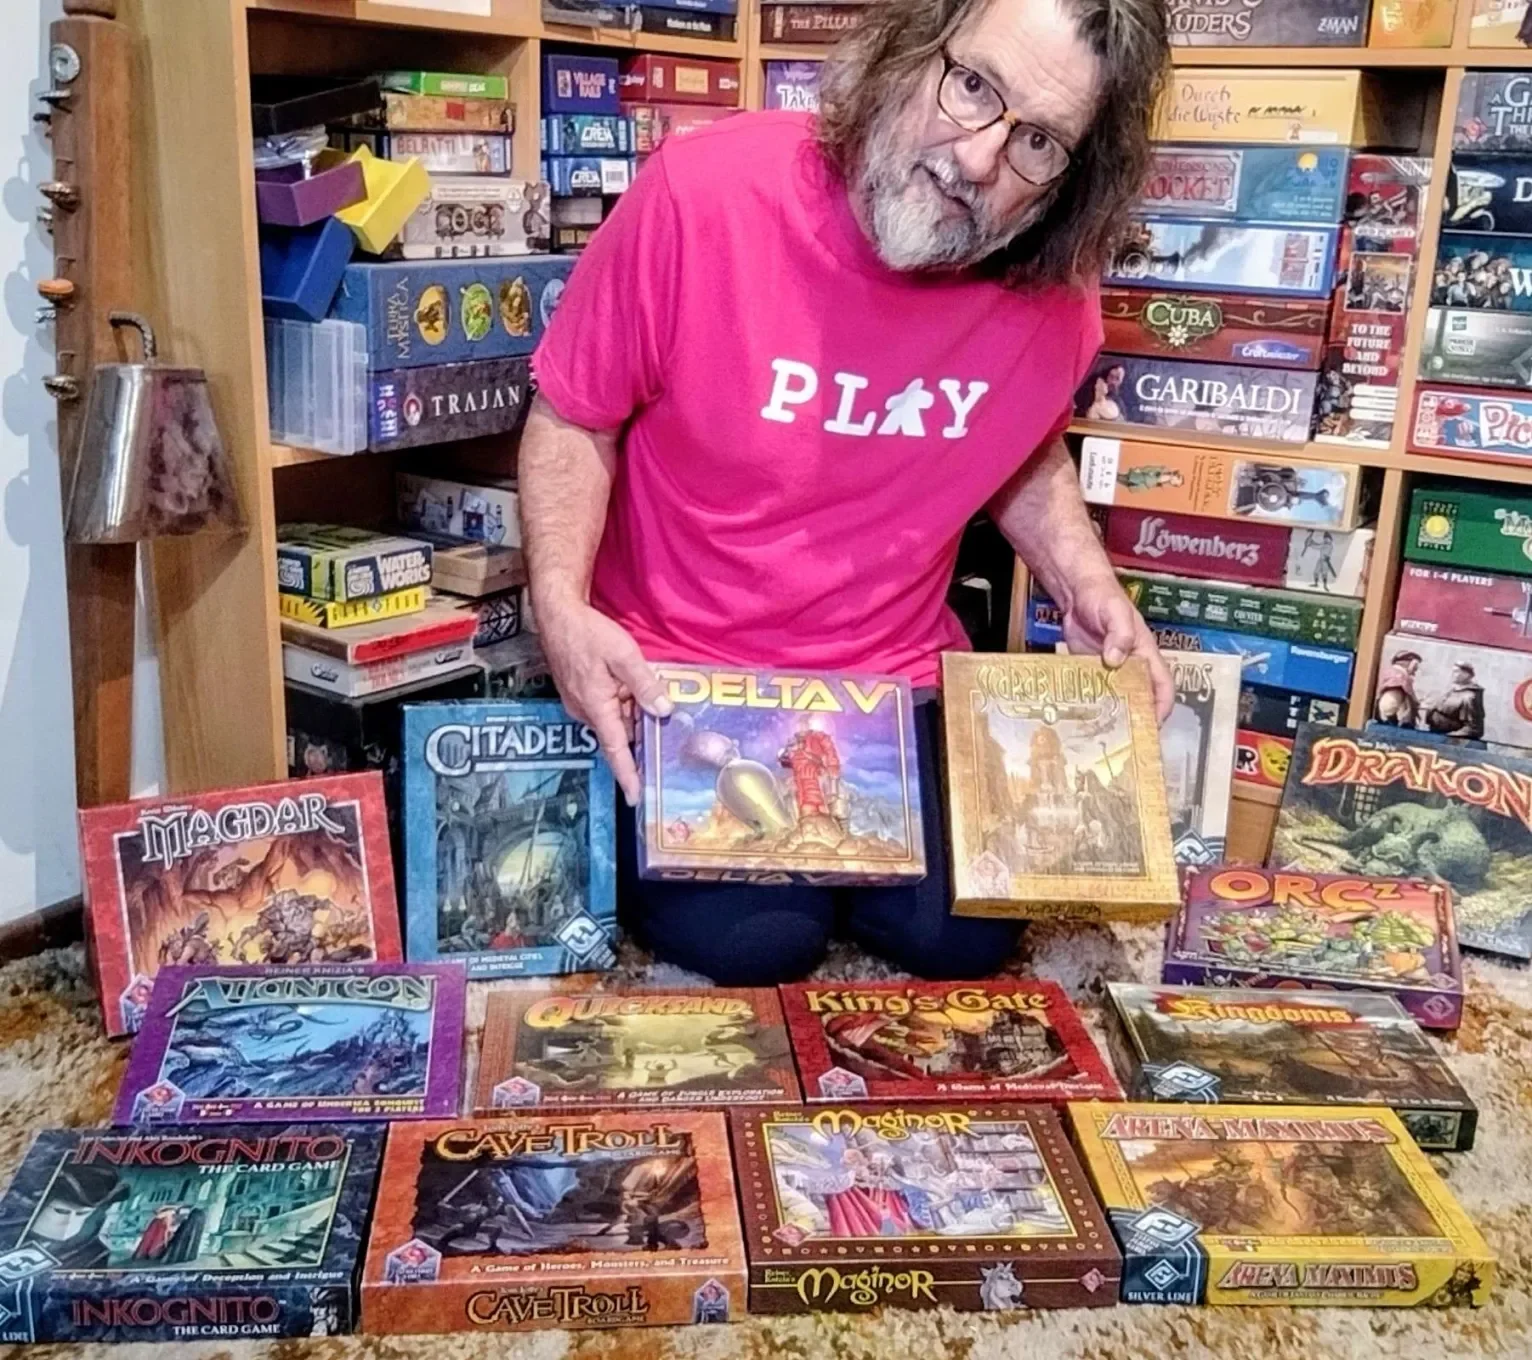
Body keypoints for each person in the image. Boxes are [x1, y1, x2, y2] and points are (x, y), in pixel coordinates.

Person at [522, 0, 1173, 986]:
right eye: (973, 88)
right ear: (911, 49)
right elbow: (574, 415)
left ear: (1073, 179)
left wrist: (1087, 583)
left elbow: (1018, 444)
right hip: (686, 678)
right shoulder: (702, 195)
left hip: (889, 685)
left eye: (1038, 142)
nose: (979, 157)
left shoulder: (1056, 288)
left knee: (963, 936)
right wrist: (560, 609)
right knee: (757, 940)